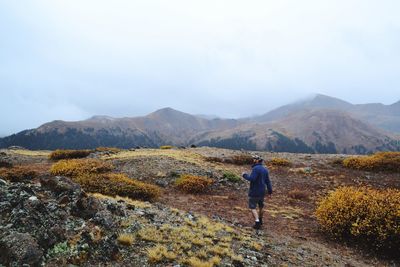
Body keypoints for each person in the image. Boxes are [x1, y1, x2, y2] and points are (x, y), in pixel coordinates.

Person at [242, 155, 272, 230]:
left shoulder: (255, 168)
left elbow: (252, 179)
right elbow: (268, 182)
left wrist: (244, 175)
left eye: (254, 159)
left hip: (255, 191)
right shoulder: (265, 169)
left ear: (258, 160)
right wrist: (270, 191)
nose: (253, 160)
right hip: (262, 191)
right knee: (261, 206)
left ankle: (257, 222)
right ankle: (261, 220)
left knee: (252, 207)